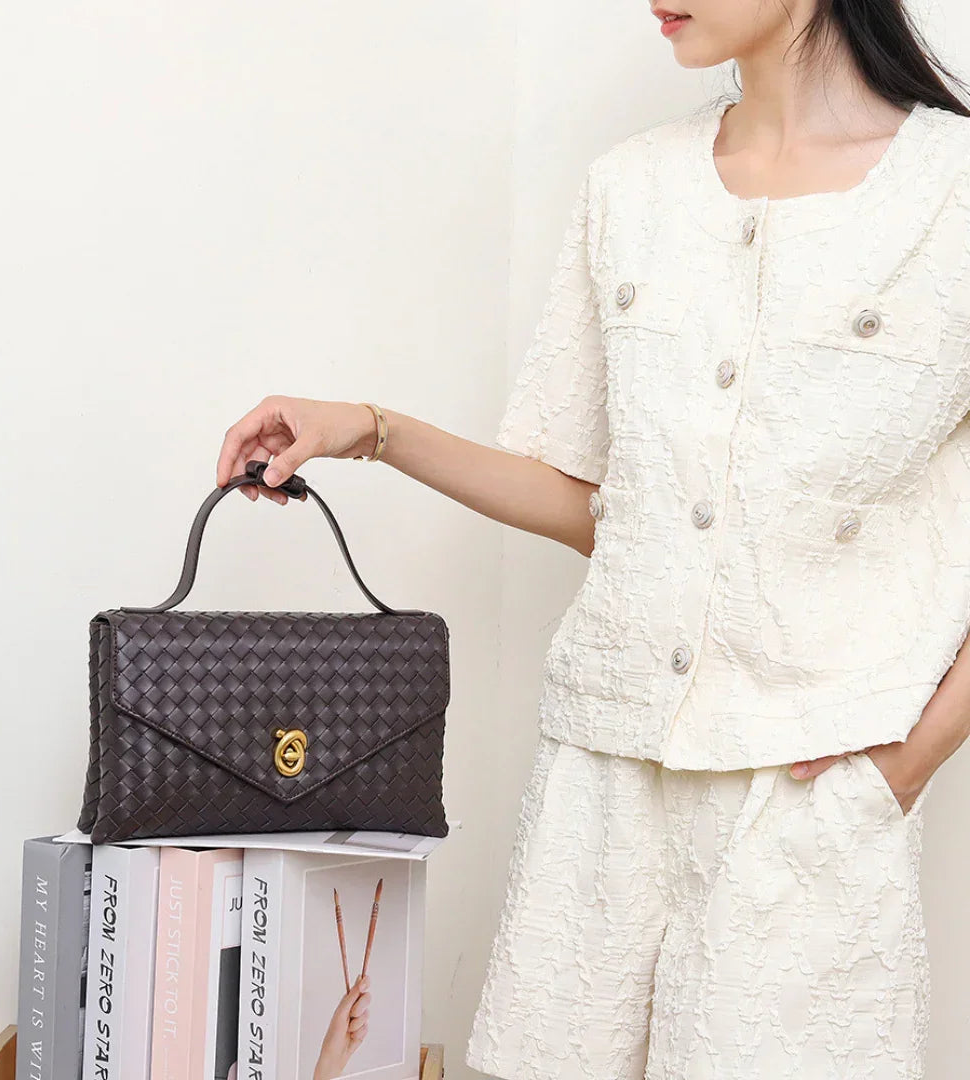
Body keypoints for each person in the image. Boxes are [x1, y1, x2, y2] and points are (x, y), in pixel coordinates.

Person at [215, 1, 970, 1074]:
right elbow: (602, 509)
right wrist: (371, 432)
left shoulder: (953, 195)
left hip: (809, 799)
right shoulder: (632, 189)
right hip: (602, 776)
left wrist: (911, 758)